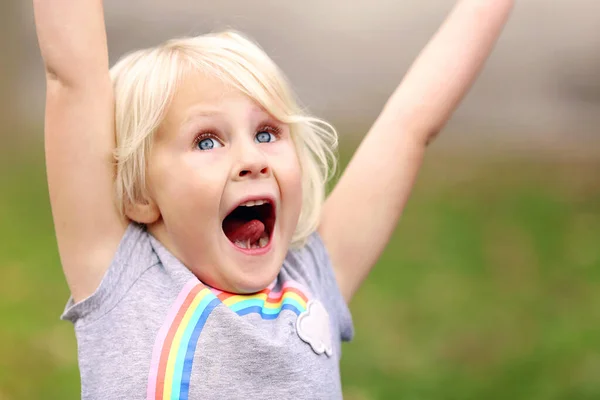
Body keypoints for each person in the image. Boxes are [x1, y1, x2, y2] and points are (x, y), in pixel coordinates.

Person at [33, 0, 514, 398]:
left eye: (266, 133)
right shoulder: (127, 282)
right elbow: (72, 76)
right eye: (207, 141)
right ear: (140, 192)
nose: (252, 159)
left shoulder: (311, 279)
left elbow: (409, 124)